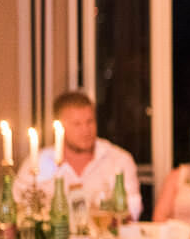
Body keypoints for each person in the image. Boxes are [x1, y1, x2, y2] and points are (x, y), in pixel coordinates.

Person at [14, 90, 142, 218]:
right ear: (60, 126)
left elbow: (133, 209)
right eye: (77, 124)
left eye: (90, 122)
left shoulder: (118, 160)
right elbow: (17, 205)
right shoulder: (38, 162)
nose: (86, 130)